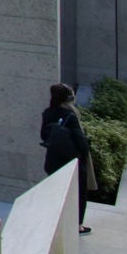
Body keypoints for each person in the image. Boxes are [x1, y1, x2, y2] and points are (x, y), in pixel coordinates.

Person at [42, 82, 94, 234]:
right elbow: (81, 141)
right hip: (72, 161)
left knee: (57, 192)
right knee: (78, 193)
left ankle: (57, 220)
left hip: (53, 160)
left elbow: (44, 135)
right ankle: (77, 225)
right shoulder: (70, 115)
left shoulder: (48, 113)